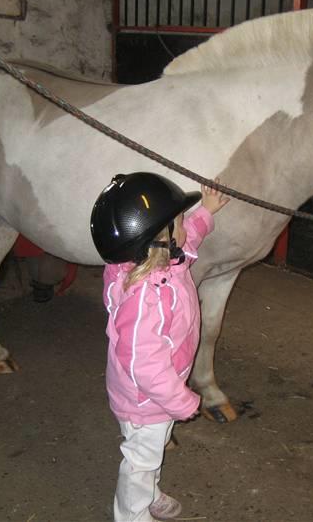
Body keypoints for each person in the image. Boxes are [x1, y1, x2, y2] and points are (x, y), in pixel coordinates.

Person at [90, 172, 229, 521]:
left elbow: (190, 236)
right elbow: (144, 366)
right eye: (178, 222)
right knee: (141, 460)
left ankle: (148, 494)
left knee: (150, 451)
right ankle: (133, 515)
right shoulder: (142, 300)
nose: (185, 227)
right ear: (159, 239)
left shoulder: (167, 261)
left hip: (159, 393)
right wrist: (181, 401)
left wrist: (206, 213)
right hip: (146, 398)